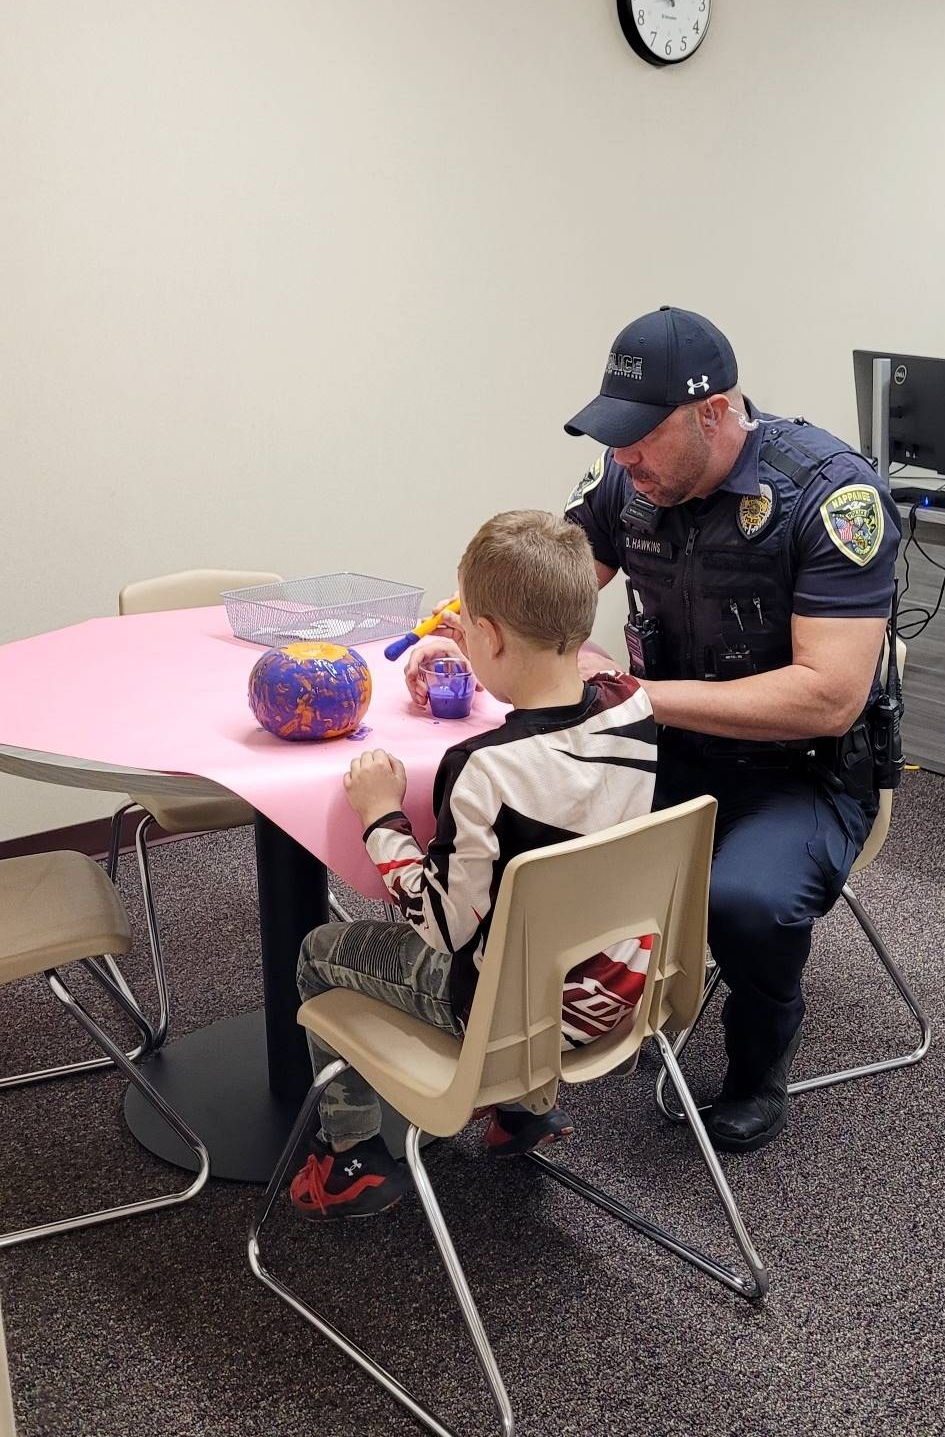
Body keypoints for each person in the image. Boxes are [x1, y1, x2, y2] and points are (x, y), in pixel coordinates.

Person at [557, 305, 901, 1153]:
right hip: (677, 750)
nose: (625, 458)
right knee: (544, 824)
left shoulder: (832, 497)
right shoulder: (631, 481)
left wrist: (637, 695)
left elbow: (827, 696)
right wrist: (477, 627)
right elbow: (551, 587)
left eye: (642, 437)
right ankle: (610, 1004)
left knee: (743, 900)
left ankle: (760, 1057)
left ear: (715, 412)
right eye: (618, 438)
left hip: (804, 773)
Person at [290, 510, 658, 1220]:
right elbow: (556, 709)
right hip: (617, 989)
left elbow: (440, 925)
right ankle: (523, 1113)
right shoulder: (632, 704)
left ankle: (351, 1158)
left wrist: (381, 815)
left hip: (512, 1017)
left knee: (317, 950)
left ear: (487, 633)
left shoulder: (481, 771)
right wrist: (494, 659)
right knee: (534, 913)